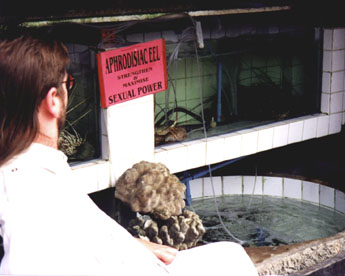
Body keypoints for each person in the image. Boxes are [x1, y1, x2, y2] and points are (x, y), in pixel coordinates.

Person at [0, 33, 259, 276]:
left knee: (230, 254)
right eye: (69, 83)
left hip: (134, 260)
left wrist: (134, 244)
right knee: (233, 259)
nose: (70, 91)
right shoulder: (29, 189)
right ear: (53, 100)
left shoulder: (37, 163)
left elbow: (82, 232)